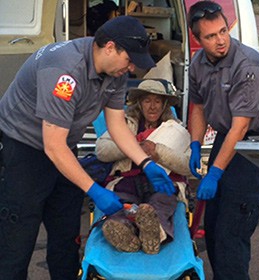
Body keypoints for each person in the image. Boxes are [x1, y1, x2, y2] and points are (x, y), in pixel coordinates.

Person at [0, 16, 175, 279]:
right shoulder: (64, 71)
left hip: (62, 148)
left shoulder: (113, 73)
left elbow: (116, 125)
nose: (130, 69)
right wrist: (94, 190)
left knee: (67, 235)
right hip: (24, 149)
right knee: (18, 239)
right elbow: (53, 146)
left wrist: (146, 163)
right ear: (110, 47)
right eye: (129, 60)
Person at [187, 1, 259, 279]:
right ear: (197, 39)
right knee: (212, 225)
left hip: (252, 144)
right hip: (225, 138)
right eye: (211, 36)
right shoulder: (199, 63)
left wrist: (214, 173)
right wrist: (194, 144)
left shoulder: (247, 65)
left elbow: (241, 128)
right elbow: (199, 106)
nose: (221, 40)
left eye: (223, 31)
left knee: (233, 228)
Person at [95, 78, 192, 254]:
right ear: (139, 103)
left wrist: (158, 152)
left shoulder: (176, 129)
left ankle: (156, 232)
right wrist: (132, 145)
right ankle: (126, 232)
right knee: (122, 204)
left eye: (157, 101)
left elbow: (188, 166)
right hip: (128, 179)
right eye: (147, 101)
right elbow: (101, 151)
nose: (152, 106)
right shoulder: (124, 124)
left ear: (164, 105)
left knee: (159, 205)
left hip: (162, 182)